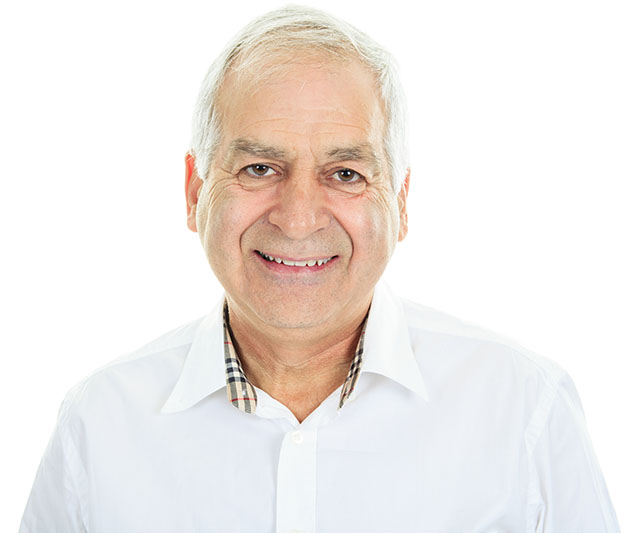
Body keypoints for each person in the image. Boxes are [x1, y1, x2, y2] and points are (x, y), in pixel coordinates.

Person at [20, 5, 620, 532]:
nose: (299, 218)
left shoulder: (522, 410)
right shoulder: (97, 428)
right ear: (194, 191)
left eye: (346, 174)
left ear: (401, 203)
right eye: (259, 167)